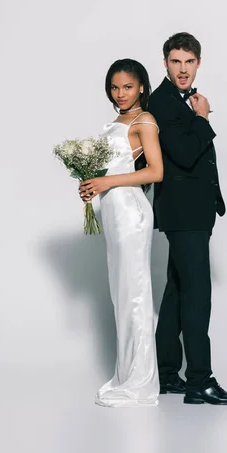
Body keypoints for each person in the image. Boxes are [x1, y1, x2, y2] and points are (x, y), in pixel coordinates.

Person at [148, 32, 227, 405]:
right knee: (197, 294)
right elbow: (188, 152)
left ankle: (166, 374)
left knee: (177, 291)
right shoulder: (161, 101)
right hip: (184, 212)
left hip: (192, 210)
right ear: (165, 64)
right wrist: (203, 116)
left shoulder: (182, 99)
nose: (183, 69)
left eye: (189, 62)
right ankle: (199, 381)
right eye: (176, 61)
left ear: (198, 63)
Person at [79, 59, 163, 407]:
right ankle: (127, 374)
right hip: (113, 215)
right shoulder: (116, 122)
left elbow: (155, 172)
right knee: (121, 295)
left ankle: (141, 384)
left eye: (127, 86)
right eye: (115, 87)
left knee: (135, 295)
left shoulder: (145, 121)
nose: (121, 93)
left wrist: (107, 182)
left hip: (131, 214)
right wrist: (90, 186)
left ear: (142, 86)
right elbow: (109, 169)